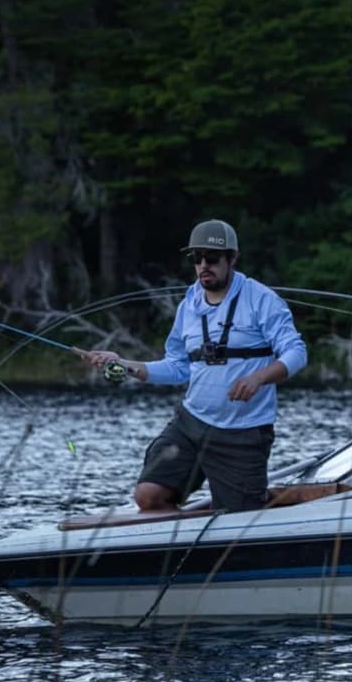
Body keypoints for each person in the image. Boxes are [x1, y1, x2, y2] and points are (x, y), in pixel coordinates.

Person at [82, 219, 308, 512]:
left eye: (212, 258)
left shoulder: (262, 300)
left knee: (239, 523)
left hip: (243, 434)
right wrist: (124, 364)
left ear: (232, 258)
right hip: (191, 425)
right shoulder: (188, 305)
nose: (204, 265)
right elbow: (177, 367)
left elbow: (297, 352)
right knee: (148, 496)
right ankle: (175, 551)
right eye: (196, 258)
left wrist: (259, 378)